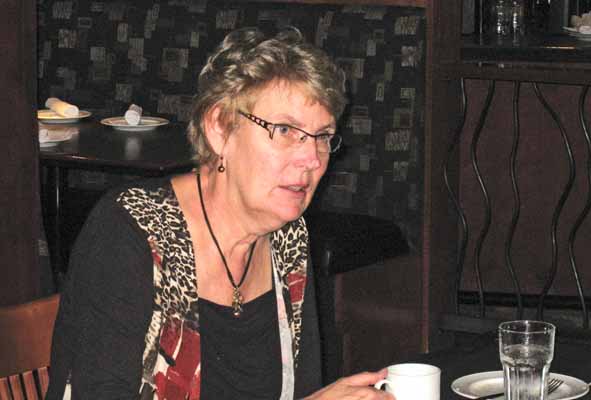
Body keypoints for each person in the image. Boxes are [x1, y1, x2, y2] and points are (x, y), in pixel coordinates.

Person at [46, 27, 394, 400]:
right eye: (285, 130)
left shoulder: (288, 237)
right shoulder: (131, 231)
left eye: (322, 136)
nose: (311, 158)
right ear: (219, 129)